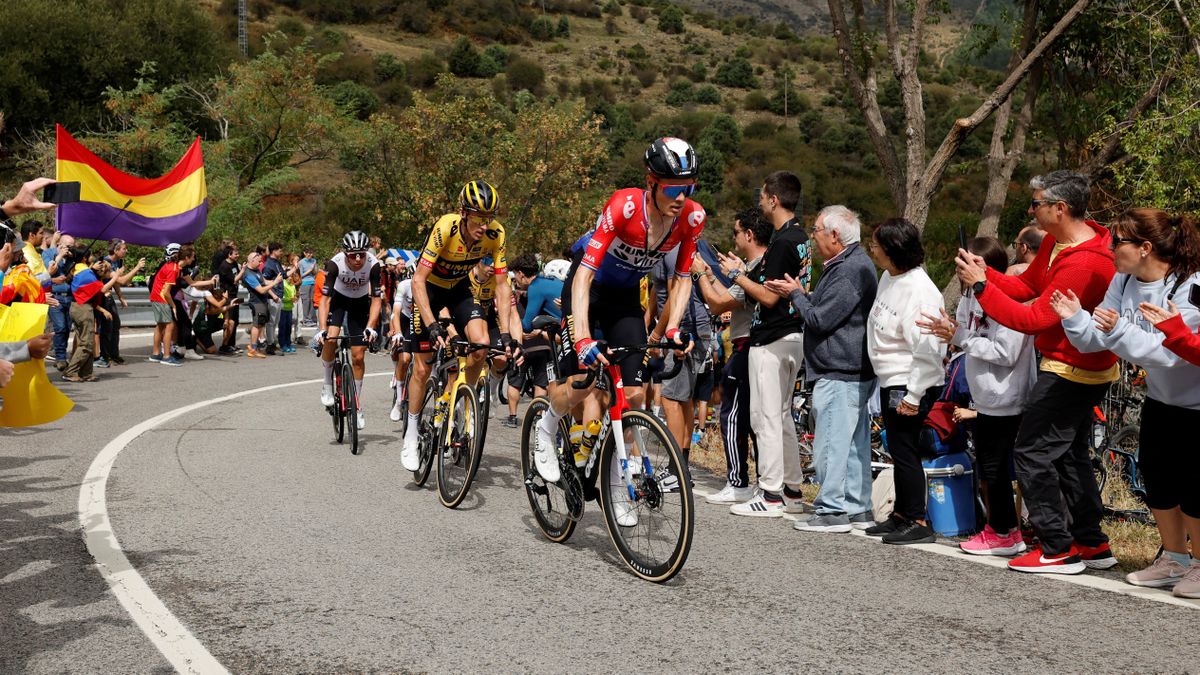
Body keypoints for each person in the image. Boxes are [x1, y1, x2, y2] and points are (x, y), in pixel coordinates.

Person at [956, 170, 1117, 574]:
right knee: (1068, 456)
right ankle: (1091, 542)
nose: (1031, 209)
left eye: (1037, 203)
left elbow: (1031, 319)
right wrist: (986, 273)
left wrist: (980, 288)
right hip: (1070, 364)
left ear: (1060, 208)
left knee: (1031, 451)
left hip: (1073, 368)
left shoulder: (1084, 262)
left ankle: (1057, 547)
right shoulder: (1055, 244)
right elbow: (1026, 286)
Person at [532, 138, 704, 519]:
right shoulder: (624, 207)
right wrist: (581, 339)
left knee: (637, 394)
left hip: (625, 297)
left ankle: (615, 482)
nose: (682, 197)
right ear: (651, 182)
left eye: (689, 187)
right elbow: (584, 276)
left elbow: (683, 277)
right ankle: (547, 426)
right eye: (674, 187)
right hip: (588, 289)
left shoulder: (691, 218)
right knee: (582, 381)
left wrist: (673, 328)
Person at [1049, 208, 1200, 596]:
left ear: (1145, 248)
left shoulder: (1189, 285)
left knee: (1194, 487)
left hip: (1197, 404)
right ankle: (1175, 559)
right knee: (1159, 480)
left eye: (1118, 242)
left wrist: (1118, 329)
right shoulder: (1123, 279)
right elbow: (1098, 339)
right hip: (1163, 398)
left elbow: (1170, 353)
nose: (1109, 248)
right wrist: (1075, 318)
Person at [764, 204, 880, 533]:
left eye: (816, 231)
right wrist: (804, 295)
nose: (813, 237)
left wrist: (798, 295)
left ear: (834, 235)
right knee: (854, 444)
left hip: (839, 367)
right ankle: (858, 509)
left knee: (829, 442)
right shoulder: (852, 264)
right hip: (851, 366)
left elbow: (820, 319)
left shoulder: (848, 269)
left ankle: (830, 509)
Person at [920, 237, 1037, 554]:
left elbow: (1006, 352)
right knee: (989, 466)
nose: (960, 272)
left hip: (1006, 394)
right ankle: (1004, 532)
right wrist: (951, 330)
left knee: (996, 467)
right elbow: (969, 335)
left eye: (966, 265)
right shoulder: (970, 296)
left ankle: (1002, 533)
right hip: (983, 394)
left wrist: (960, 336)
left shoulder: (1009, 297)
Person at [401, 182, 518, 469]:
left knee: (481, 346)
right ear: (463, 213)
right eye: (479, 217)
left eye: (489, 217)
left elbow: (502, 286)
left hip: (459, 289)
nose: (484, 224)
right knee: (422, 367)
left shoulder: (495, 234)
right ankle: (412, 433)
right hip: (429, 288)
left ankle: (463, 403)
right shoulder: (445, 228)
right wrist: (432, 325)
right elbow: (417, 280)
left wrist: (504, 332)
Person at [718, 171, 811, 518]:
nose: (759, 201)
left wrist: (736, 276)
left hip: (771, 337)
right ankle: (792, 490)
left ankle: (770, 493)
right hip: (792, 335)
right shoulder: (797, 238)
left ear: (774, 199)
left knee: (765, 416)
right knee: (783, 415)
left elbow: (769, 298)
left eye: (762, 196)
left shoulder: (784, 241)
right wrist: (743, 270)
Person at [860, 218, 946, 544]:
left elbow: (928, 348)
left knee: (906, 449)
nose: (873, 249)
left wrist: (913, 394)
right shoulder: (889, 276)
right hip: (890, 377)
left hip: (910, 379)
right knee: (896, 447)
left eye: (877, 244)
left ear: (894, 250)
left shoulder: (920, 292)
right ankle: (900, 514)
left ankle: (918, 519)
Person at [693, 208, 770, 504]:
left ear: (749, 235)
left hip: (745, 344)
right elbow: (728, 298)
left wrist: (700, 275)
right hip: (754, 344)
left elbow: (716, 304)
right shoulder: (757, 267)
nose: (733, 239)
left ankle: (738, 480)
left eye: (736, 232)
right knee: (757, 418)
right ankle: (765, 483)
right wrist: (713, 275)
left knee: (733, 414)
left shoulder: (754, 270)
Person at [316, 231, 383, 430]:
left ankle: (356, 404)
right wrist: (321, 330)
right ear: (345, 254)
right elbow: (325, 300)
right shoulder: (334, 264)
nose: (357, 259)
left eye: (361, 254)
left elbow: (377, 300)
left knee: (358, 356)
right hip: (338, 299)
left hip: (360, 302)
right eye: (353, 255)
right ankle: (327, 385)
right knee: (331, 338)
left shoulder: (374, 265)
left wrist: (371, 327)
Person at [506, 253, 563, 428]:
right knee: (544, 381)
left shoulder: (535, 287)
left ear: (521, 273)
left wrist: (512, 311)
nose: (515, 279)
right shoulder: (550, 282)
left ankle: (553, 423)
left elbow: (527, 324)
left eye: (515, 275)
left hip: (566, 333)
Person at [98, 239, 144, 366]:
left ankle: (114, 355)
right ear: (116, 250)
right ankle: (104, 357)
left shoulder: (118, 261)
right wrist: (137, 268)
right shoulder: (106, 262)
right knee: (107, 328)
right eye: (124, 248)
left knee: (115, 325)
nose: (126, 250)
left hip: (109, 296)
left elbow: (116, 282)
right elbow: (122, 280)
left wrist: (121, 297)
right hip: (101, 297)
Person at [242, 250, 283, 359]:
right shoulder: (248, 274)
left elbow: (264, 282)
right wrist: (274, 283)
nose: (261, 264)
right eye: (259, 261)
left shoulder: (256, 271)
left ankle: (253, 345)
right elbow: (261, 290)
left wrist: (276, 281)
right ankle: (253, 349)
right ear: (252, 260)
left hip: (263, 302)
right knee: (257, 325)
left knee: (261, 324)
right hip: (256, 302)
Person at [148, 243, 184, 366]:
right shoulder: (173, 268)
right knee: (170, 325)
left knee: (160, 326)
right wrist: (173, 306)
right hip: (161, 298)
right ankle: (167, 356)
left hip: (155, 296)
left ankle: (156, 353)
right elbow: (167, 292)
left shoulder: (169, 265)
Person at [45, 233, 77, 370]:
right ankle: (60, 357)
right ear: (60, 244)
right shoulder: (48, 254)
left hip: (68, 296)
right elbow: (49, 271)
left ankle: (62, 355)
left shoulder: (71, 258)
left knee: (67, 328)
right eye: (68, 246)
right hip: (55, 295)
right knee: (60, 327)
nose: (70, 249)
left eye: (72, 247)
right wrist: (60, 257)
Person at [388, 261, 415, 422]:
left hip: (419, 320)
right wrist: (396, 332)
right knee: (403, 358)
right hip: (403, 318)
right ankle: (398, 402)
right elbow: (395, 312)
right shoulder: (404, 285)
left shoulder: (428, 285)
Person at [216, 244, 246, 355]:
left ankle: (231, 344)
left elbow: (238, 278)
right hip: (227, 296)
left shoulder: (233, 264)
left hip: (235, 294)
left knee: (236, 321)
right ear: (229, 254)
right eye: (236, 254)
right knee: (230, 321)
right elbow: (234, 280)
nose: (238, 255)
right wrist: (243, 271)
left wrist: (241, 272)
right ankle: (225, 345)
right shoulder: (224, 266)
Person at [298, 247, 318, 326]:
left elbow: (315, 272)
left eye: (311, 253)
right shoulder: (301, 262)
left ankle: (312, 319)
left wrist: (314, 269)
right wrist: (310, 270)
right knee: (306, 301)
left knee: (313, 301)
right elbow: (301, 275)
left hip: (313, 282)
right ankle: (306, 320)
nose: (310, 255)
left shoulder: (314, 260)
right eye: (308, 253)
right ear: (304, 253)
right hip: (305, 283)